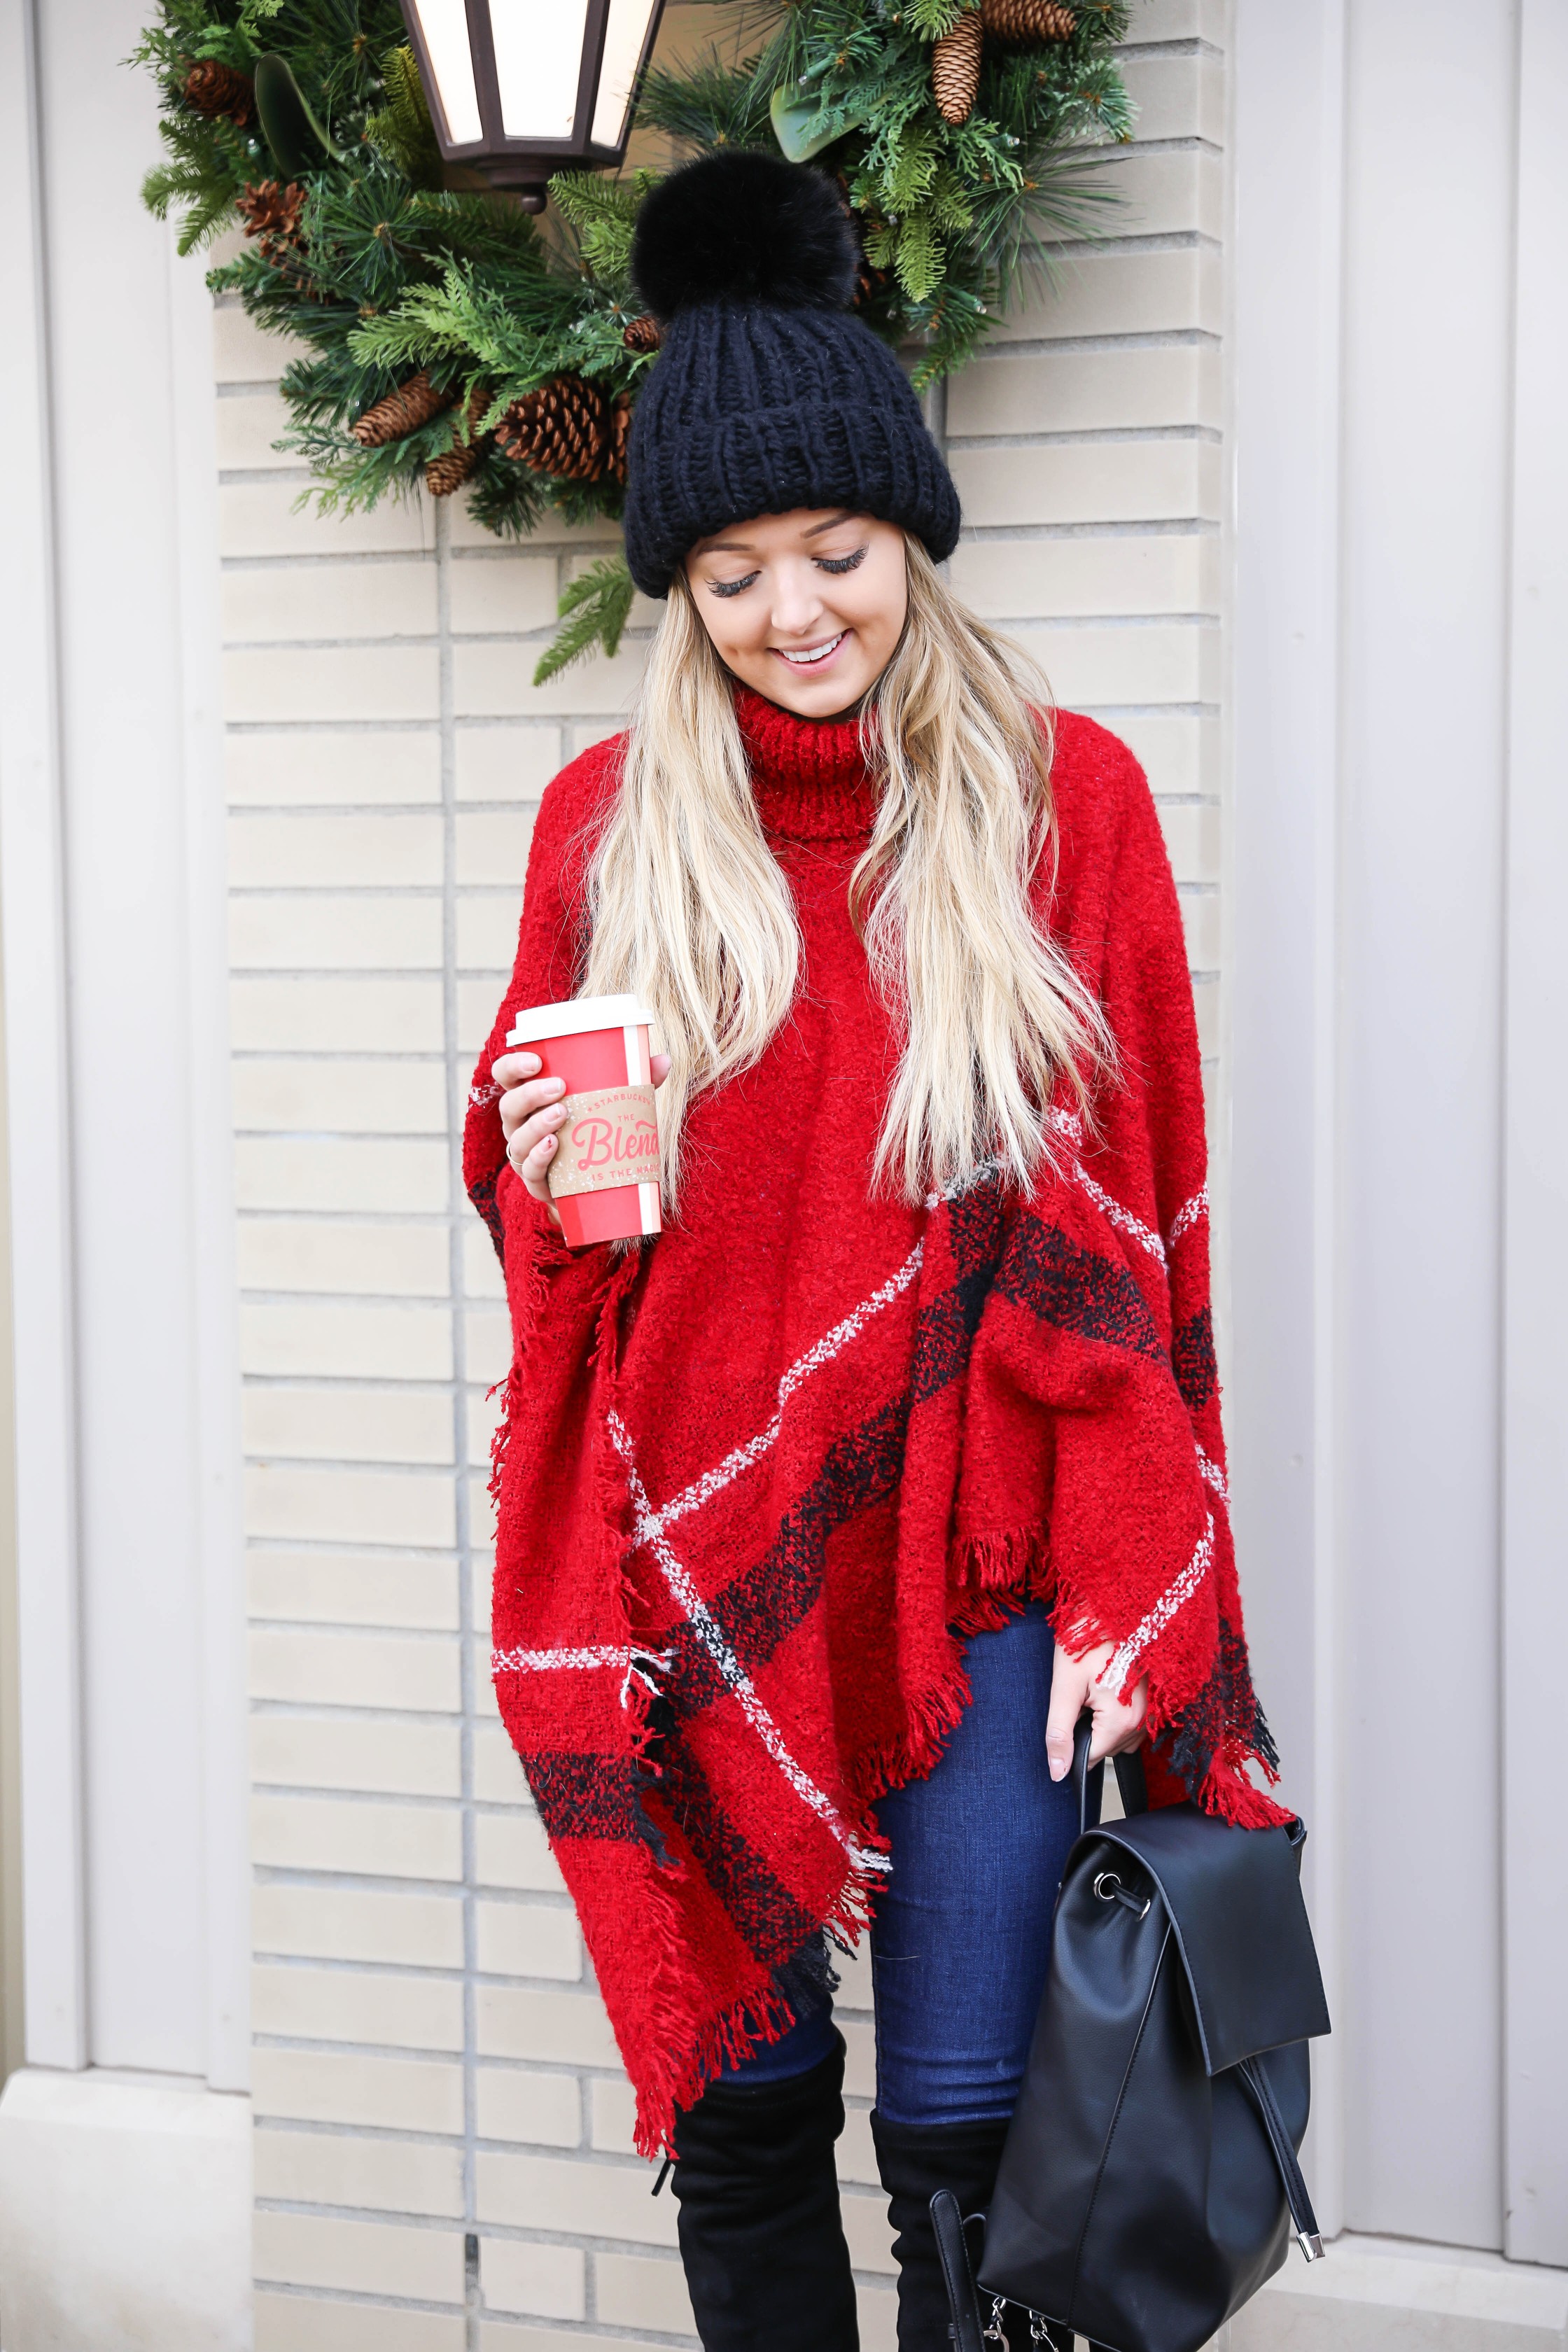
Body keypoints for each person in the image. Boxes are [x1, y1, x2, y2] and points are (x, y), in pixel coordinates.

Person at [463, 152, 1287, 2352]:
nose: (791, 610)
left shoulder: (1061, 804)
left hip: (983, 1566)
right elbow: (545, 1206)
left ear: (907, 531)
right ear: (677, 589)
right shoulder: (605, 834)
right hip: (699, 1555)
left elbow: (1132, 1235)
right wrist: (535, 1154)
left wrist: (1135, 1544)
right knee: (741, 2126)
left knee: (965, 2141)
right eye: (729, 572)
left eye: (833, 551)